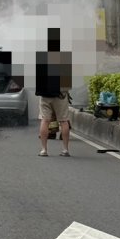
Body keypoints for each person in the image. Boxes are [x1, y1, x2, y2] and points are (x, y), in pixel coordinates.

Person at [35, 27, 72, 157]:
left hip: (45, 94)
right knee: (64, 121)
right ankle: (65, 149)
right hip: (60, 94)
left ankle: (44, 150)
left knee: (45, 121)